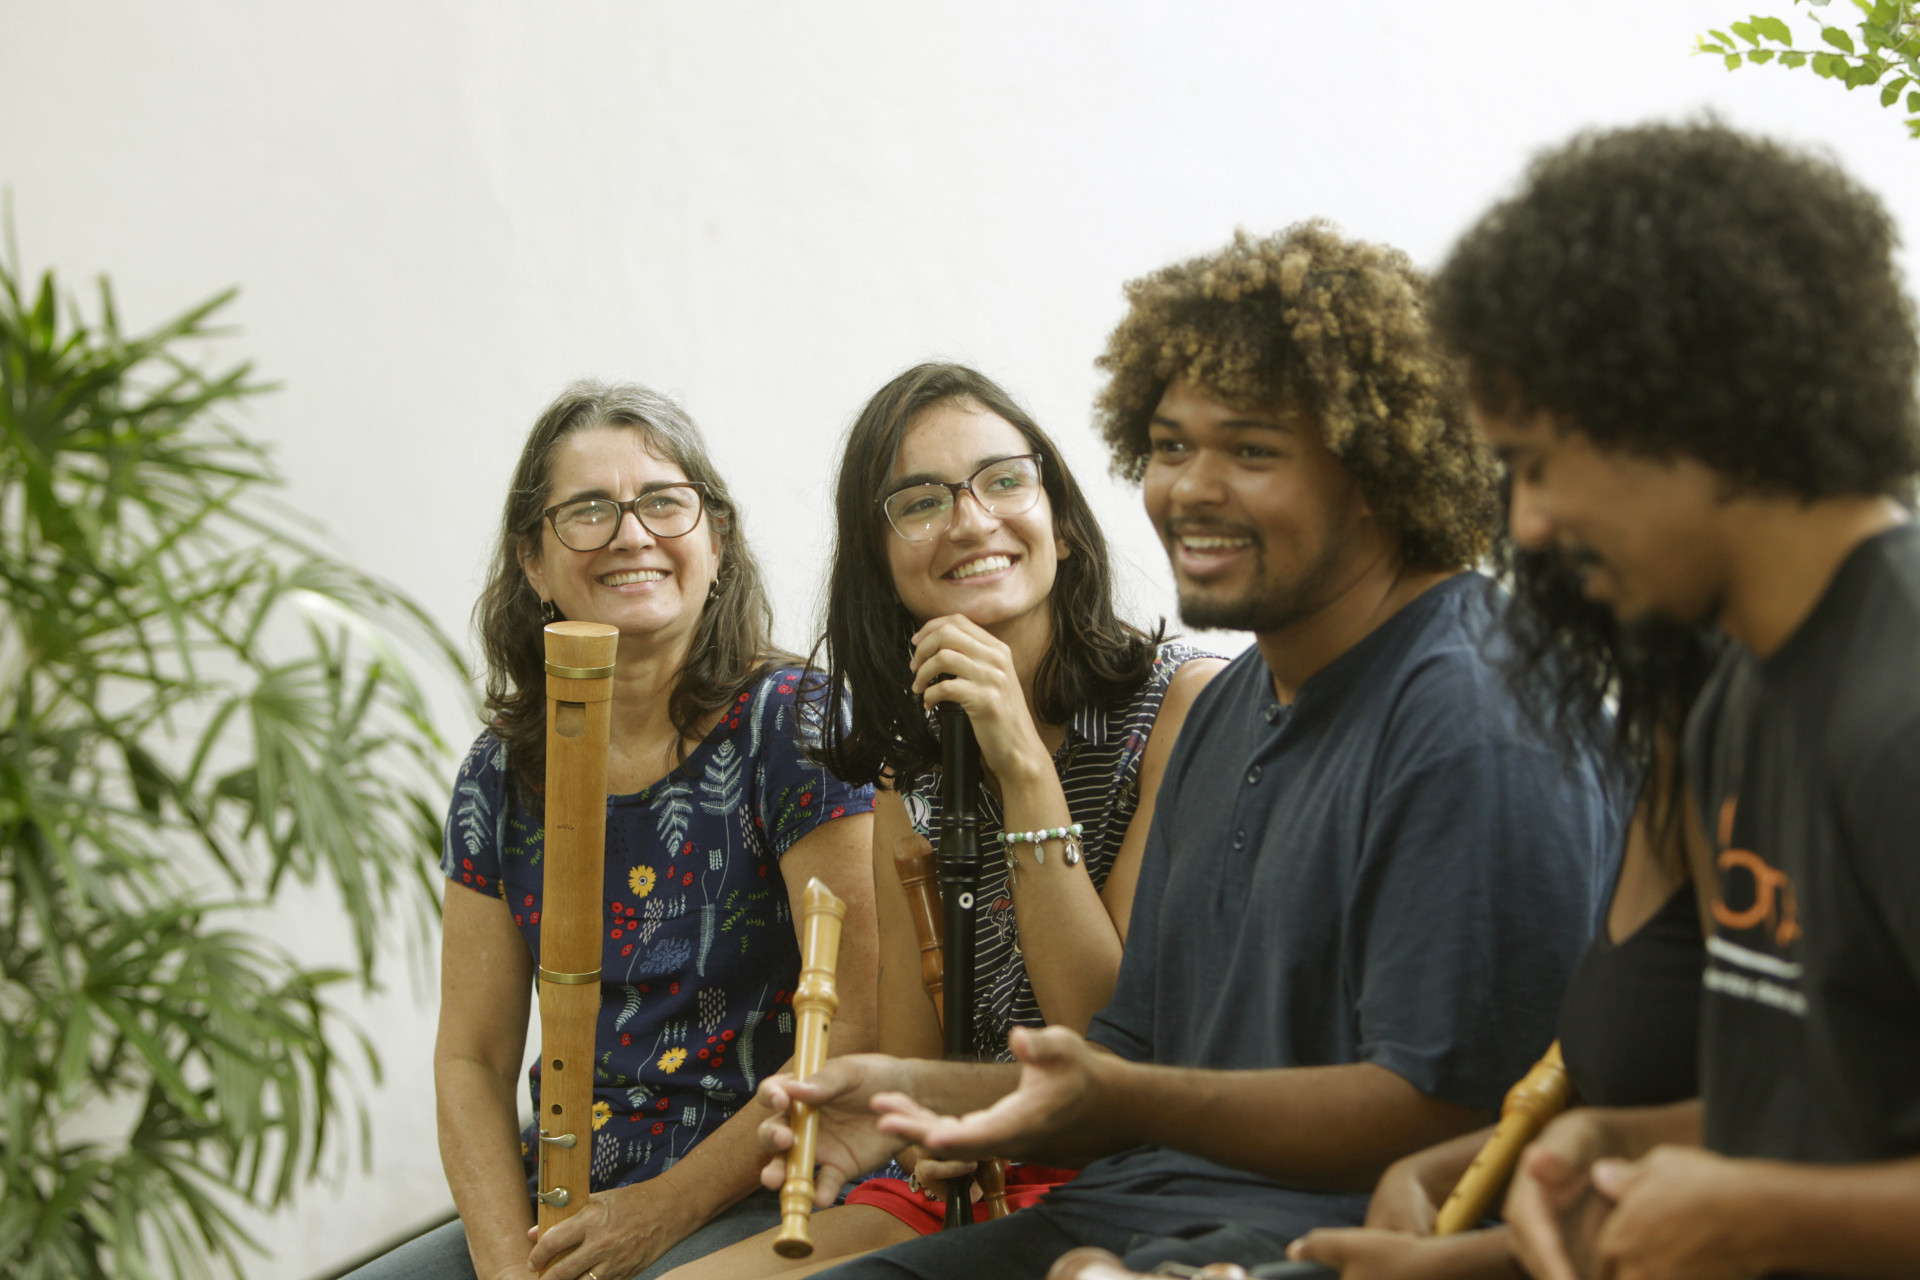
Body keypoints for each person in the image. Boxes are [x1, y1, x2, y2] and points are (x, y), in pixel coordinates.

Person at [754, 223, 1623, 1280]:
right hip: (1137, 1207)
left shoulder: (1475, 714)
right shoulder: (1238, 704)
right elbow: (1131, 1056)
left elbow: (1446, 1109)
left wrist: (1120, 1101)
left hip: (1322, 1237)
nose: (1189, 489)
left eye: (1252, 450)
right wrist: (908, 1093)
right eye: (1170, 446)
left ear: (1378, 467)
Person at [1432, 122, 1920, 1280]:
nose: (1532, 526)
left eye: (1541, 462)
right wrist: (1617, 1138)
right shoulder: (1737, 693)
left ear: (1690, 409)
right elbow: (1828, 1122)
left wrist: (1761, 1218)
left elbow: (1790, 1197)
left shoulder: (1902, 714)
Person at [662, 362, 1223, 1280]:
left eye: (1004, 480)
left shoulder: (1183, 708)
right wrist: (910, 1123)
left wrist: (1024, 770)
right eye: (920, 502)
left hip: (1119, 1173)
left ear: (1064, 525)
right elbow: (919, 1061)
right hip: (965, 1175)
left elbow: (1107, 1045)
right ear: (880, 565)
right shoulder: (908, 765)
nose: (971, 519)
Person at [346, 382, 879, 1280]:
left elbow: (860, 1028)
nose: (632, 535)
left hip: (773, 1179)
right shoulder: (502, 768)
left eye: (665, 502)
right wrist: (506, 1267)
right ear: (532, 561)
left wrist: (660, 1212)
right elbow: (471, 1062)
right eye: (589, 511)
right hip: (561, 1189)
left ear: (718, 539)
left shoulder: (797, 723)